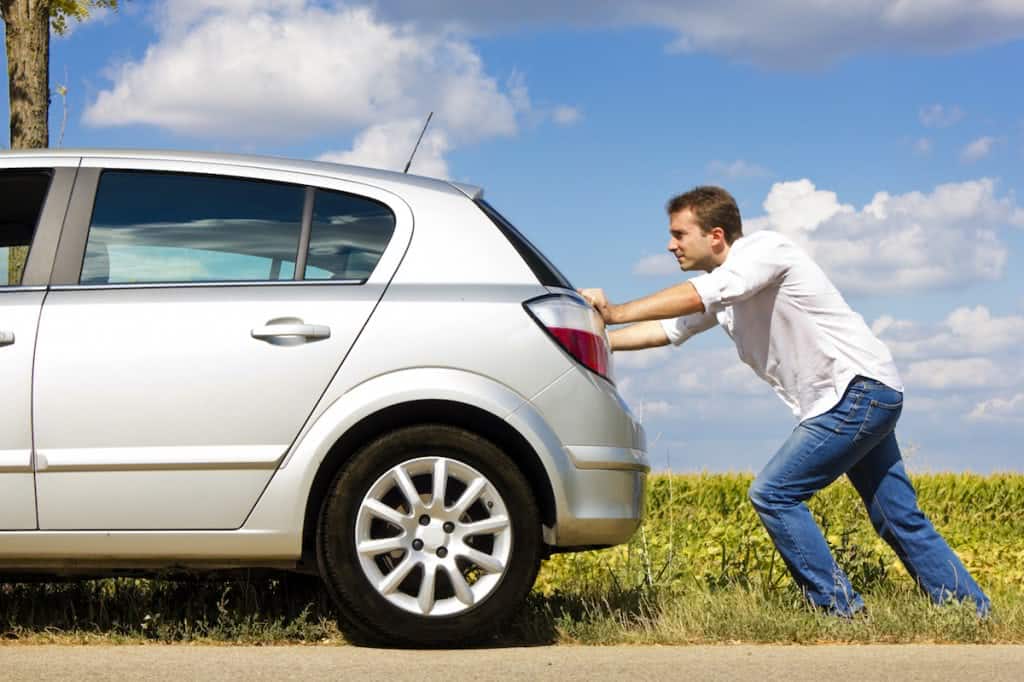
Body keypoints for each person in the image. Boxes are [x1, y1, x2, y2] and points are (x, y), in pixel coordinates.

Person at [579, 186, 989, 617]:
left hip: (856, 392)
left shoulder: (764, 251)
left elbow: (697, 297)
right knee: (896, 515)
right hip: (860, 396)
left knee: (773, 493)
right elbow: (666, 331)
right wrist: (588, 340)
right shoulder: (721, 291)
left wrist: (617, 310)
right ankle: (970, 611)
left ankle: (840, 611)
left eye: (679, 234)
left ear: (715, 235)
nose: (670, 244)